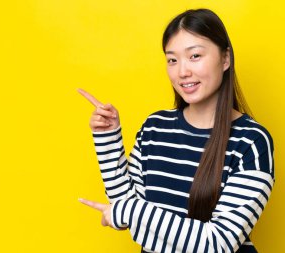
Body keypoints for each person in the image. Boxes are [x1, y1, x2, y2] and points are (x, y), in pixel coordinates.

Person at [78, 8, 274, 253]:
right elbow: (123, 206)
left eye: (194, 56)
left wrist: (128, 211)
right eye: (172, 60)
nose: (182, 72)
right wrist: (108, 138)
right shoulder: (154, 127)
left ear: (225, 59)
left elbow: (218, 243)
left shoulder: (252, 141)